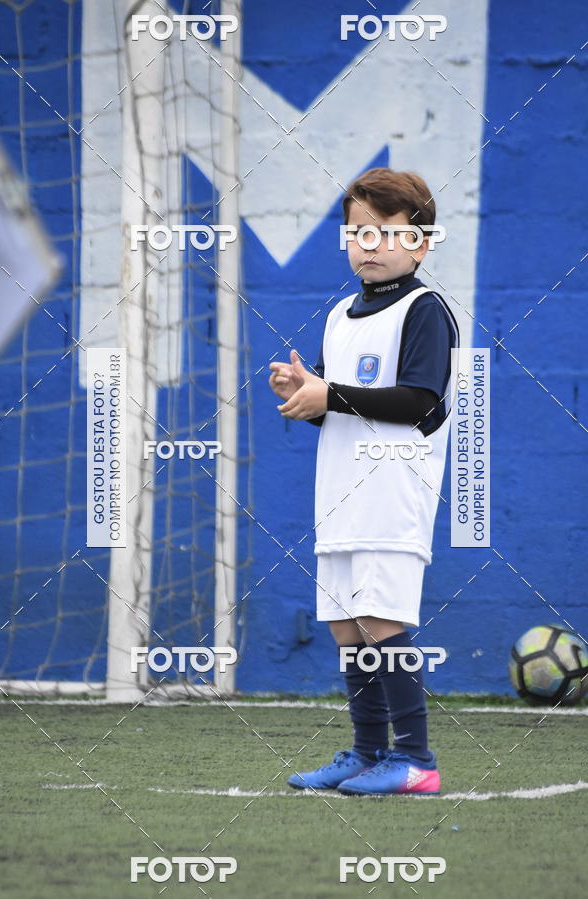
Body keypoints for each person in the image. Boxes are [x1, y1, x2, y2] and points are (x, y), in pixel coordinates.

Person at [268, 167, 459, 795]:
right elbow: (334, 397)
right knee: (348, 625)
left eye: (384, 233)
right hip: (340, 496)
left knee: (381, 619)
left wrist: (333, 395)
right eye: (356, 232)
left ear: (421, 241)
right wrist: (305, 393)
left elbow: (418, 401)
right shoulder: (338, 315)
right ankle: (367, 751)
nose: (368, 245)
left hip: (392, 495)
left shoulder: (425, 309)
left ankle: (418, 761)